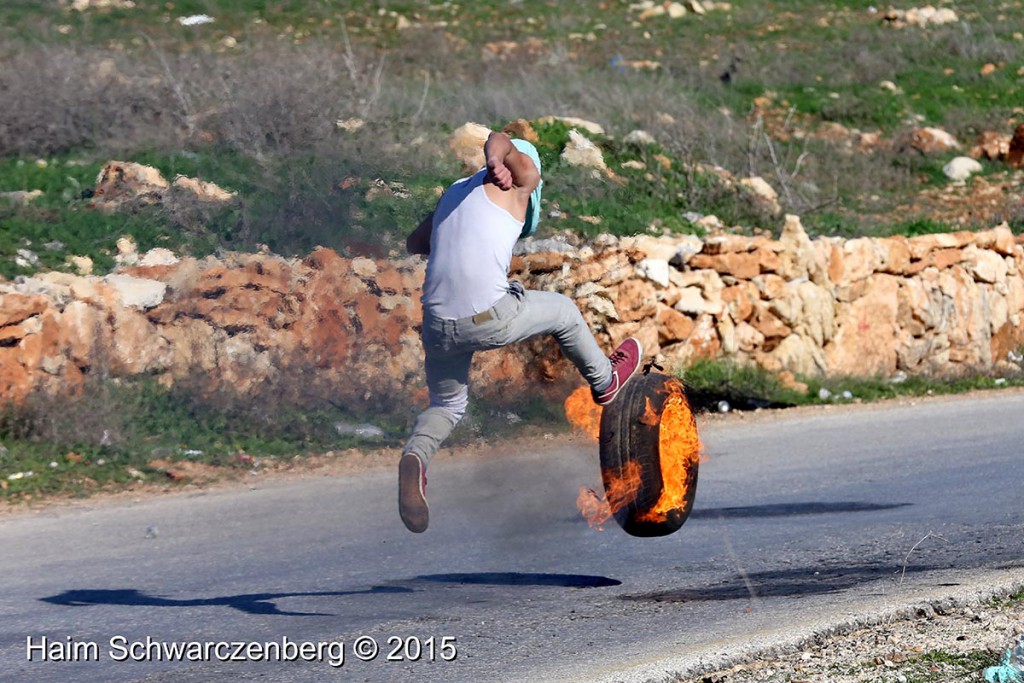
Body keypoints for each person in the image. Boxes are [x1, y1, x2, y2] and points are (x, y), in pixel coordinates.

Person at [399, 131, 642, 533]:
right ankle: (605, 381)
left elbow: (414, 243)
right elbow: (502, 140)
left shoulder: (452, 195)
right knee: (564, 311)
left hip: (438, 325)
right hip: (487, 317)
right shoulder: (521, 179)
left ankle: (415, 459)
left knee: (447, 406)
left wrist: (454, 230)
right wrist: (498, 159)